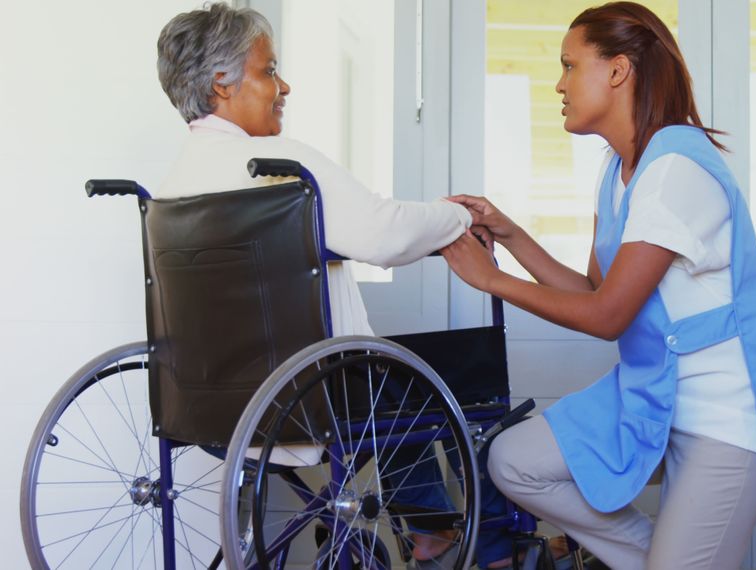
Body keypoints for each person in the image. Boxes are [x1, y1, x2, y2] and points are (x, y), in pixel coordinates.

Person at [440, 2, 756, 569]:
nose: (558, 84)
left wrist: (492, 279)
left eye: (569, 65)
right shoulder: (617, 169)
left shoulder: (675, 170)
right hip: (653, 401)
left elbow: (608, 317)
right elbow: (596, 291)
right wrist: (511, 235)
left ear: (618, 71)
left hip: (725, 421)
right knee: (512, 459)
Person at [155, 4, 514, 567]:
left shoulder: (171, 189)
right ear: (222, 83)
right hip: (311, 398)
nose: (284, 85)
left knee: (388, 374)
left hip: (210, 407)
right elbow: (383, 234)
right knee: (454, 382)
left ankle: (428, 523)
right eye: (269, 70)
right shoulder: (277, 167)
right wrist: (458, 218)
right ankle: (482, 542)